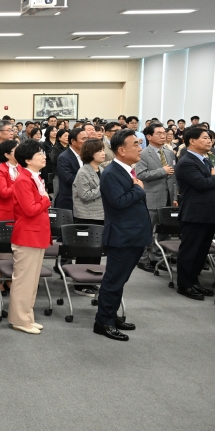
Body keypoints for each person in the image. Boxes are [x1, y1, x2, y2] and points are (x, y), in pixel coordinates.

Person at [93, 129, 150, 341]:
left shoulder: (126, 171)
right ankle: (103, 322)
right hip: (122, 236)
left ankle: (111, 315)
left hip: (133, 234)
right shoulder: (111, 173)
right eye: (135, 144)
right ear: (121, 150)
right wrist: (138, 190)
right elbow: (118, 202)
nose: (140, 148)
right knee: (113, 281)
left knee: (120, 280)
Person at [174, 126, 215, 301]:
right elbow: (202, 184)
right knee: (190, 250)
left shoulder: (205, 160)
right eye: (204, 138)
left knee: (201, 251)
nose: (209, 141)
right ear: (192, 141)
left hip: (208, 213)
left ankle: (194, 281)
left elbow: (210, 182)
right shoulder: (186, 162)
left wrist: (213, 178)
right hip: (195, 213)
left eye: (209, 138)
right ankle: (184, 284)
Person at [8, 139, 51, 334]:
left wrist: (42, 199)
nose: (43, 156)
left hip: (37, 234)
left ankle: (27, 316)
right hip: (27, 235)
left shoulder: (35, 177)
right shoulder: (23, 180)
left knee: (32, 281)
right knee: (24, 281)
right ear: (27, 160)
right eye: (39, 154)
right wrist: (45, 200)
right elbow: (30, 209)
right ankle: (19, 319)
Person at [134, 123, 177, 272]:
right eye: (158, 133)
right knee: (147, 230)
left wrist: (174, 196)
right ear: (149, 136)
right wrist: (162, 171)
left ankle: (157, 258)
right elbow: (141, 175)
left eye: (164, 133)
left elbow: (173, 177)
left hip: (168, 198)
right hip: (151, 197)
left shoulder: (169, 153)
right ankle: (142, 259)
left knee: (163, 231)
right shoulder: (143, 153)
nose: (163, 135)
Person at [72, 138, 106, 225]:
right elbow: (84, 195)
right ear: (90, 153)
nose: (103, 153)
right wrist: (103, 187)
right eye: (99, 151)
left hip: (102, 213)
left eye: (103, 150)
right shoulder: (83, 172)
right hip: (87, 216)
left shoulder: (101, 169)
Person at [54, 127, 87, 211]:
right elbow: (68, 179)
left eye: (87, 138)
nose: (86, 141)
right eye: (83, 139)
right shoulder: (64, 157)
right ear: (73, 141)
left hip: (83, 199)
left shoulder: (86, 155)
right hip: (69, 199)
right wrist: (87, 178)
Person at [0, 139, 19, 222]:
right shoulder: (0, 170)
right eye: (16, 150)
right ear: (7, 155)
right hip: (5, 212)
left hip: (19, 210)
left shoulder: (21, 167)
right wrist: (18, 181)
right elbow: (4, 193)